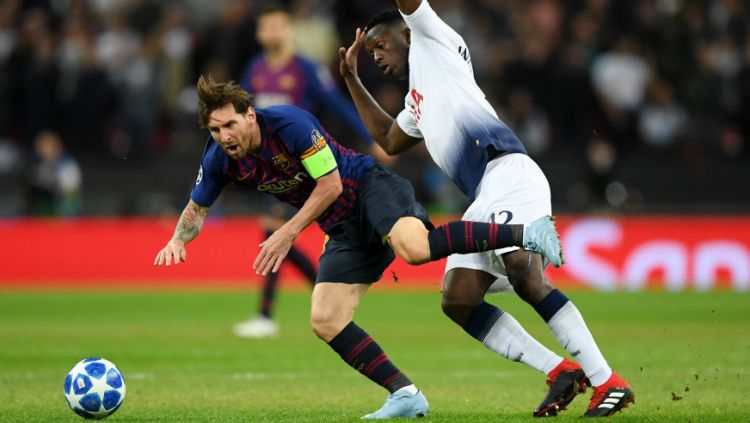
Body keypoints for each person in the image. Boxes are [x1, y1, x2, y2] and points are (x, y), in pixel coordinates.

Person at [154, 76, 562, 419]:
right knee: (325, 318)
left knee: (414, 249)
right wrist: (177, 238)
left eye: (229, 125)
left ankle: (526, 233)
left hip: (369, 189)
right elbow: (196, 209)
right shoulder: (220, 160)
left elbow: (330, 184)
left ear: (249, 115)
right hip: (343, 228)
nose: (224, 136)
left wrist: (288, 232)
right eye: (214, 130)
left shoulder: (290, 125)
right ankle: (406, 394)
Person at [338, 0, 633, 418]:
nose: (377, 58)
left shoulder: (431, 40)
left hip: (508, 171)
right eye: (371, 55)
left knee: (524, 275)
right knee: (458, 299)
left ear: (405, 33)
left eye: (379, 47)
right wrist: (351, 78)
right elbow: (387, 139)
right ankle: (559, 371)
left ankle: (607, 381)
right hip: (484, 194)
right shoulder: (418, 101)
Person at [233, 4, 391, 338]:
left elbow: (338, 105)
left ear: (288, 30)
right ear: (260, 34)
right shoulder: (256, 69)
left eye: (278, 26)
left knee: (274, 231)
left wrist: (373, 138)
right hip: (271, 166)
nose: (272, 33)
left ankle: (265, 316)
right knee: (276, 235)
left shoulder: (306, 69)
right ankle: (324, 291)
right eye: (266, 28)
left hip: (305, 163)